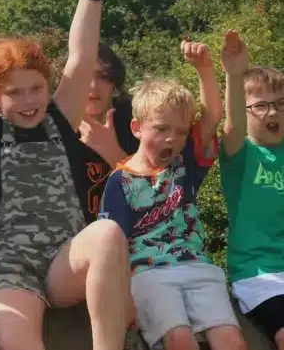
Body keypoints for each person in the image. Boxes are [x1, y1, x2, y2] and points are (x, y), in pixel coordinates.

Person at [0, 0, 138, 350]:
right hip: (9, 267)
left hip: (65, 261)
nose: (29, 102)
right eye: (15, 93)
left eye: (36, 88)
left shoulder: (60, 120)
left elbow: (81, 57)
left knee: (108, 232)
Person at [100, 37, 247, 350]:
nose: (173, 139)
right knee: (179, 339)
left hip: (198, 266)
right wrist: (122, 297)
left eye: (180, 132)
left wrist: (205, 70)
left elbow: (211, 118)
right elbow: (113, 247)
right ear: (137, 128)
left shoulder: (185, 165)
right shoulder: (119, 181)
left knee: (231, 340)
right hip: (149, 274)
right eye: (162, 129)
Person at [219, 29, 284, 349]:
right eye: (260, 106)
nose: (272, 112)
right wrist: (234, 75)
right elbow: (232, 127)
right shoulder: (240, 154)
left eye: (280, 103)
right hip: (259, 276)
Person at [74, 42, 139, 220]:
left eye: (103, 76)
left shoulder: (135, 121)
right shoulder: (56, 126)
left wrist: (111, 151)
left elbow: (153, 196)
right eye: (84, 76)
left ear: (114, 84)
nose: (93, 86)